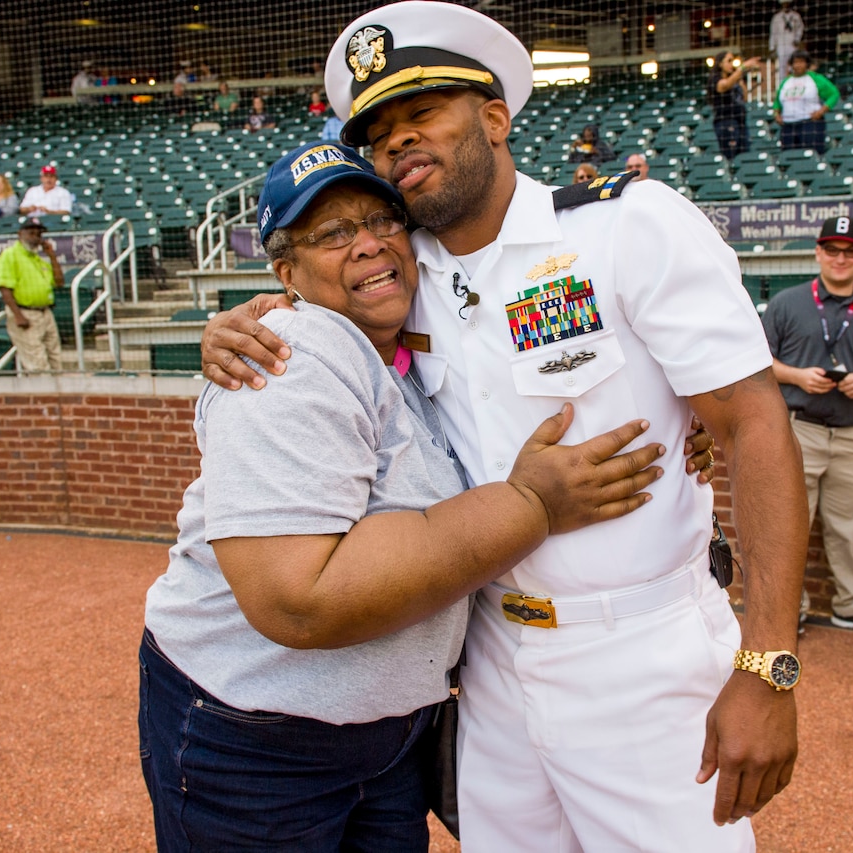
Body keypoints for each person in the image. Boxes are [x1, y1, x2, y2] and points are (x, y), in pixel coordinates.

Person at [202, 3, 808, 849]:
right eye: (380, 137)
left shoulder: (623, 225)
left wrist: (767, 662)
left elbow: (751, 425)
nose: (400, 145)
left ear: (493, 118)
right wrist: (238, 320)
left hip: (639, 651)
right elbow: (317, 296)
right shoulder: (404, 273)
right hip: (489, 661)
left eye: (423, 116)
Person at [141, 141, 670, 851]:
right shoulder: (290, 354)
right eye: (330, 234)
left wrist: (682, 428)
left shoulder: (417, 340)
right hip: (255, 739)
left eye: (382, 221)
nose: (366, 244)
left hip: (387, 736)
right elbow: (299, 596)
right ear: (286, 273)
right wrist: (533, 504)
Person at [762, 217, 853, 639]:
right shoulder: (788, 302)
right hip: (798, 427)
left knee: (849, 527)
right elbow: (759, 363)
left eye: (850, 251)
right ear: (818, 253)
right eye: (832, 250)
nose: (840, 258)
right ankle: (789, 611)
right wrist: (795, 376)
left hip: (850, 433)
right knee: (789, 526)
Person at [0, 217, 64, 372]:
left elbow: (59, 282)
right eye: (31, 233)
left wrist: (52, 255)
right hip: (25, 312)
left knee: (56, 359)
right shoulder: (10, 255)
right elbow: (4, 288)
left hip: (45, 312)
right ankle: (43, 395)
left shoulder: (39, 260)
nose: (36, 237)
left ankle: (59, 394)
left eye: (39, 234)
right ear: (21, 234)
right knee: (37, 364)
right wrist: (17, 315)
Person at [773, 50, 838, 154]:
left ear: (807, 64)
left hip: (809, 124)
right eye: (795, 62)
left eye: (801, 62)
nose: (798, 65)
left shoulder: (815, 79)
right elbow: (777, 102)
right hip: (788, 126)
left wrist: (821, 111)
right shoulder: (786, 81)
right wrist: (776, 114)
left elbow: (834, 94)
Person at [709, 51, 759, 160]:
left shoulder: (735, 78)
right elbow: (725, 86)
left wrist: (739, 78)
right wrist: (742, 67)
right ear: (720, 64)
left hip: (740, 121)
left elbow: (744, 98)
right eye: (729, 61)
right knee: (731, 156)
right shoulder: (715, 79)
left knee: (745, 155)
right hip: (726, 121)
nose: (732, 64)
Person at [770, 0, 805, 73]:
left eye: (787, 4)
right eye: (784, 4)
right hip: (781, 45)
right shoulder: (777, 17)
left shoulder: (796, 16)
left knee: (794, 64)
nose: (786, 6)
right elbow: (773, 33)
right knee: (782, 66)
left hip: (792, 44)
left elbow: (800, 28)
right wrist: (772, 47)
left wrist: (797, 39)